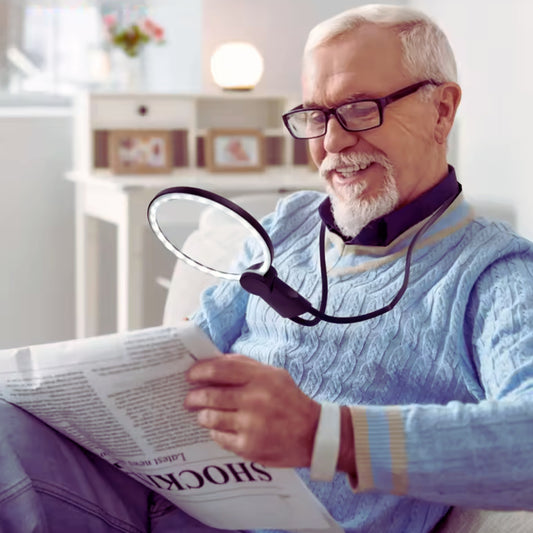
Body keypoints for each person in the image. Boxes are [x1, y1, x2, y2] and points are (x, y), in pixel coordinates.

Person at [0, 4, 532, 533]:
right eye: (315, 117)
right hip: (158, 498)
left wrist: (325, 436)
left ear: (442, 110)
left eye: (361, 108)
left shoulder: (495, 273)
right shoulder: (291, 223)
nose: (331, 142)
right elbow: (185, 356)